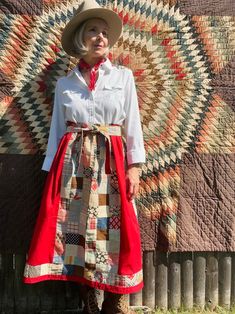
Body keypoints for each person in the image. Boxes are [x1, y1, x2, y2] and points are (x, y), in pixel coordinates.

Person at [23, 1, 146, 313]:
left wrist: (135, 167)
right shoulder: (66, 84)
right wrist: (51, 170)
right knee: (76, 230)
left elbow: (132, 123)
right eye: (93, 30)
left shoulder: (123, 77)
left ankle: (116, 300)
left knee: (117, 228)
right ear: (80, 36)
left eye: (105, 32)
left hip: (112, 162)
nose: (101, 36)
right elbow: (55, 131)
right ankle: (88, 296)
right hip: (74, 164)